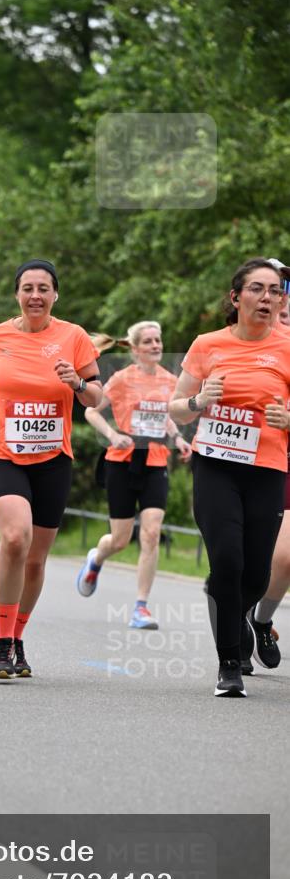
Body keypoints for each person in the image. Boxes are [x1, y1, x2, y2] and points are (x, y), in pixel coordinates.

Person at [0, 258, 101, 679]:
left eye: (44, 288)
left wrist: (76, 383)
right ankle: (2, 641)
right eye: (28, 288)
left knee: (36, 560)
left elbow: (96, 397)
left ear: (55, 295)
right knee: (14, 538)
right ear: (17, 294)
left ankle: (19, 637)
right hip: (3, 453)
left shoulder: (74, 337)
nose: (35, 296)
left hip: (53, 460)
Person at [169, 257, 290, 698]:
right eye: (257, 289)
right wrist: (200, 400)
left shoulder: (288, 346)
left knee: (257, 573)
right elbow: (176, 406)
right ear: (236, 297)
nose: (267, 298)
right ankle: (228, 666)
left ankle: (240, 613)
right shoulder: (208, 344)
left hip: (266, 469)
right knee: (227, 559)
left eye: (275, 290)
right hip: (216, 465)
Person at [76, 322, 192, 628]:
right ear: (136, 348)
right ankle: (96, 559)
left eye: (159, 340)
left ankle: (141, 607)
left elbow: (166, 418)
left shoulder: (170, 380)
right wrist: (113, 435)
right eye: (149, 341)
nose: (156, 345)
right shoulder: (121, 379)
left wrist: (178, 438)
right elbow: (91, 411)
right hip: (121, 463)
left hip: (154, 461)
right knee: (120, 540)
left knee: (151, 533)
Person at [246, 257, 290, 667]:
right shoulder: (251, 345)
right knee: (278, 557)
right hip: (265, 460)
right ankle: (243, 624)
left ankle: (260, 621)